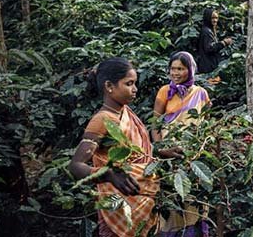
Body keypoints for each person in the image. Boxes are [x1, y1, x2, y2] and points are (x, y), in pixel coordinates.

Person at [68, 58, 184, 236]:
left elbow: (134, 150)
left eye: (135, 83)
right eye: (129, 84)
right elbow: (76, 165)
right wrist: (109, 175)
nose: (135, 89)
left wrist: (160, 152)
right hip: (119, 207)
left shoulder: (125, 113)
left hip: (142, 202)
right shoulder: (102, 120)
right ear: (109, 86)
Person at [151, 51, 214, 236]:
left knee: (192, 197)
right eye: (172, 69)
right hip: (169, 155)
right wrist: (161, 149)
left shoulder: (201, 93)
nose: (175, 73)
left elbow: (207, 124)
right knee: (170, 196)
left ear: (190, 70)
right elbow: (155, 124)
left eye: (180, 69)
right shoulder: (164, 91)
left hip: (193, 155)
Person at [190, 8, 233, 75]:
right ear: (208, 18)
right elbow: (209, 48)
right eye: (212, 18)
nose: (215, 20)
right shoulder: (206, 31)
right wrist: (223, 43)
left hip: (209, 65)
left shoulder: (210, 30)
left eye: (216, 18)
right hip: (208, 67)